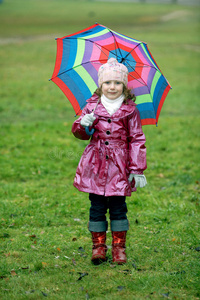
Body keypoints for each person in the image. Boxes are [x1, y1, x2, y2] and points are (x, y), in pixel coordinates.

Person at [71, 58, 147, 264]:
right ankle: (98, 247)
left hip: (119, 166)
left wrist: (137, 168)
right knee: (96, 206)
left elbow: (137, 138)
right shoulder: (91, 107)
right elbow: (81, 134)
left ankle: (119, 248)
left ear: (124, 85)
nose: (112, 87)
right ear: (100, 84)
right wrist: (82, 124)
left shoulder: (130, 110)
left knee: (118, 207)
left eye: (117, 83)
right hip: (95, 164)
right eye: (107, 83)